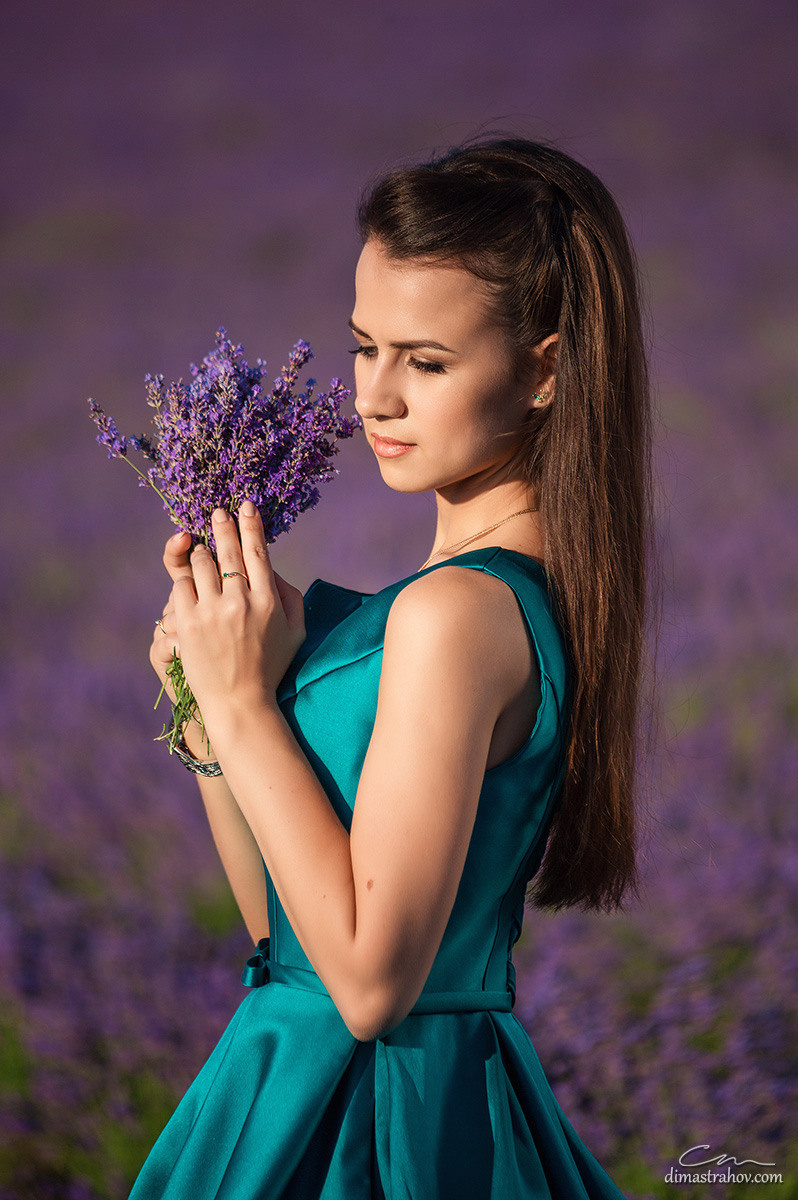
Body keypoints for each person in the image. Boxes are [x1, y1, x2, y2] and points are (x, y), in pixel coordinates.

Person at [130, 136, 654, 1199]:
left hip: (366, 1122)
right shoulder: (474, 602)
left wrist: (244, 708)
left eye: (425, 360)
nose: (373, 398)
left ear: (545, 369)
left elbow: (366, 987)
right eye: (364, 347)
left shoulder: (456, 614)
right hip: (345, 1075)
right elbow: (288, 939)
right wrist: (212, 717)